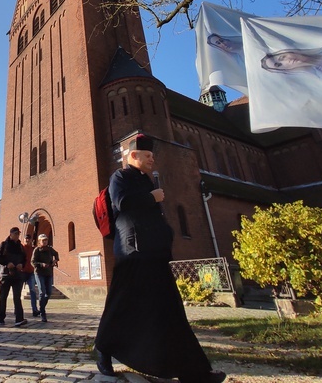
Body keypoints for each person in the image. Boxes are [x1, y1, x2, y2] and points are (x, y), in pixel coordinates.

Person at [94, 134, 226, 383]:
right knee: (122, 303)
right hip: (133, 253)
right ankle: (103, 347)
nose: (153, 160)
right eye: (148, 155)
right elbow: (121, 203)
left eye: (153, 156)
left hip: (154, 253)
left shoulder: (146, 180)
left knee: (170, 309)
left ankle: (194, 372)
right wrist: (152, 198)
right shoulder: (120, 177)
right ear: (133, 155)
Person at [0, 226, 27, 327]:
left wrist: (21, 264)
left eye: (18, 234)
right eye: (15, 234)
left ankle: (19, 318)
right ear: (11, 234)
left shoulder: (20, 246)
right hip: (6, 274)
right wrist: (6, 263)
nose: (17, 236)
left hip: (17, 275)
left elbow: (24, 259)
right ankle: (1, 318)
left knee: (17, 297)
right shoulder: (4, 245)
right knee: (3, 297)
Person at [31, 234, 59, 323]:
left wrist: (55, 260)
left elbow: (56, 254)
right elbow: (32, 262)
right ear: (39, 241)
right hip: (39, 273)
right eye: (43, 240)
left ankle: (41, 307)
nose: (45, 241)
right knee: (42, 292)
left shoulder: (50, 249)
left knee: (49, 292)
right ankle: (43, 313)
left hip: (48, 273)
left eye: (46, 240)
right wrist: (41, 264)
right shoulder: (37, 250)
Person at [22, 233, 39, 317]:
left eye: (29, 239)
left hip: (31, 272)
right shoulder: (21, 248)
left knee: (32, 291)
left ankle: (34, 309)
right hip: (22, 272)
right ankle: (17, 309)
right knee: (18, 291)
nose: (27, 240)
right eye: (26, 239)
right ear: (24, 240)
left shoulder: (33, 249)